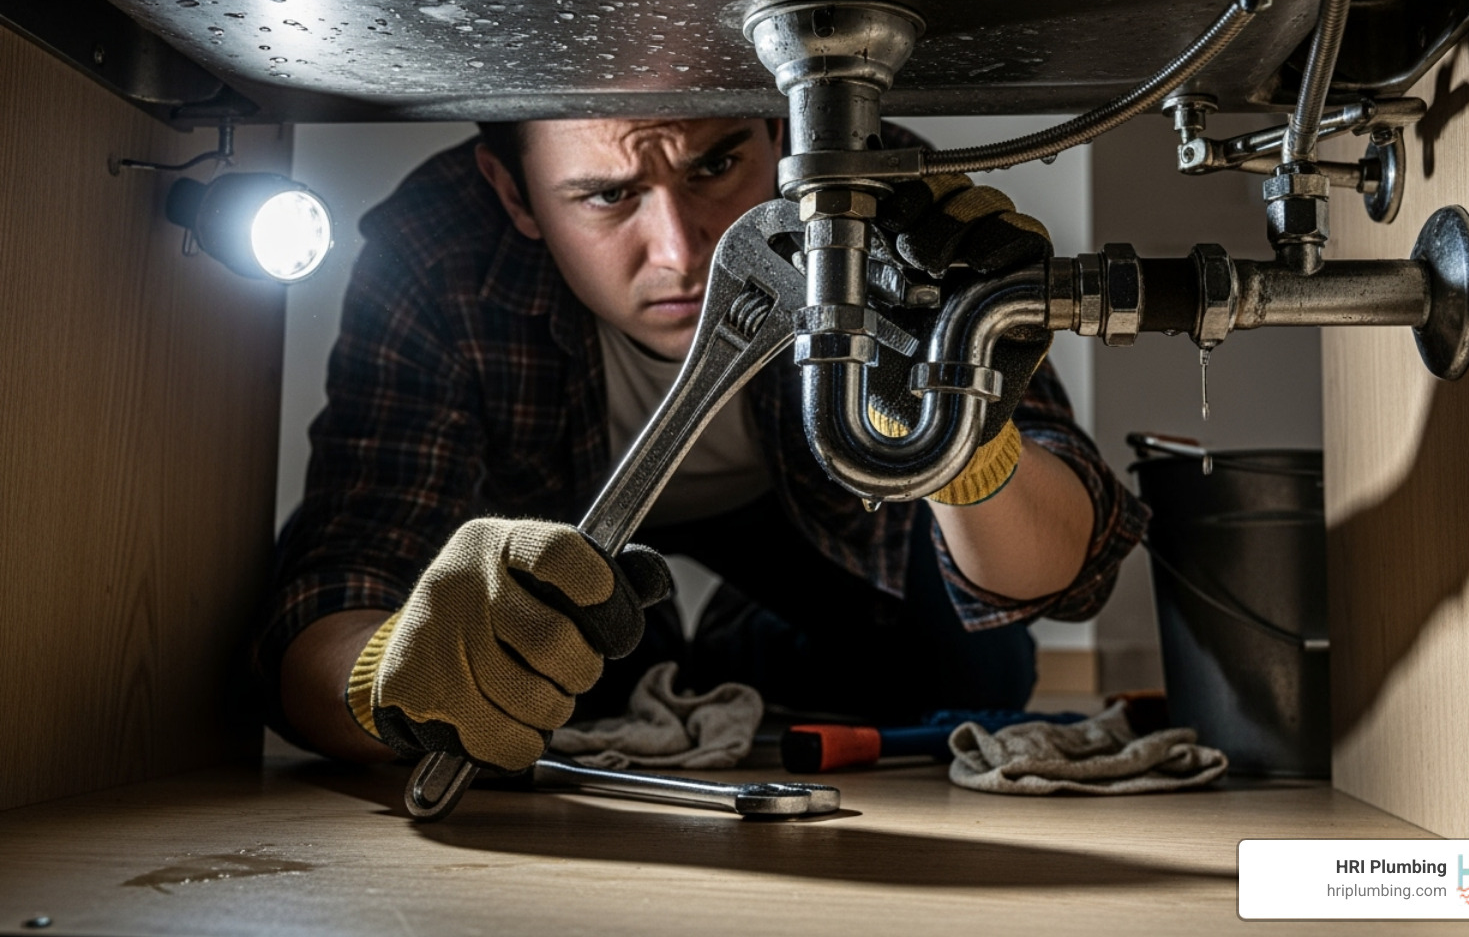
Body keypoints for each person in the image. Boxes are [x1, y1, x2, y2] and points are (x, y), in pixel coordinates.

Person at [256, 116, 1149, 772]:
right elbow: (337, 577)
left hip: (811, 521)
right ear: (511, 192)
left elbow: (1058, 575)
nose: (683, 252)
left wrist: (963, 425)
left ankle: (734, 644)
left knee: (980, 666)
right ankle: (651, 651)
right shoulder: (430, 252)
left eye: (718, 165)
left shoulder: (892, 218)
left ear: (779, 133)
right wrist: (391, 681)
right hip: (567, 540)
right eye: (608, 195)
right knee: (565, 685)